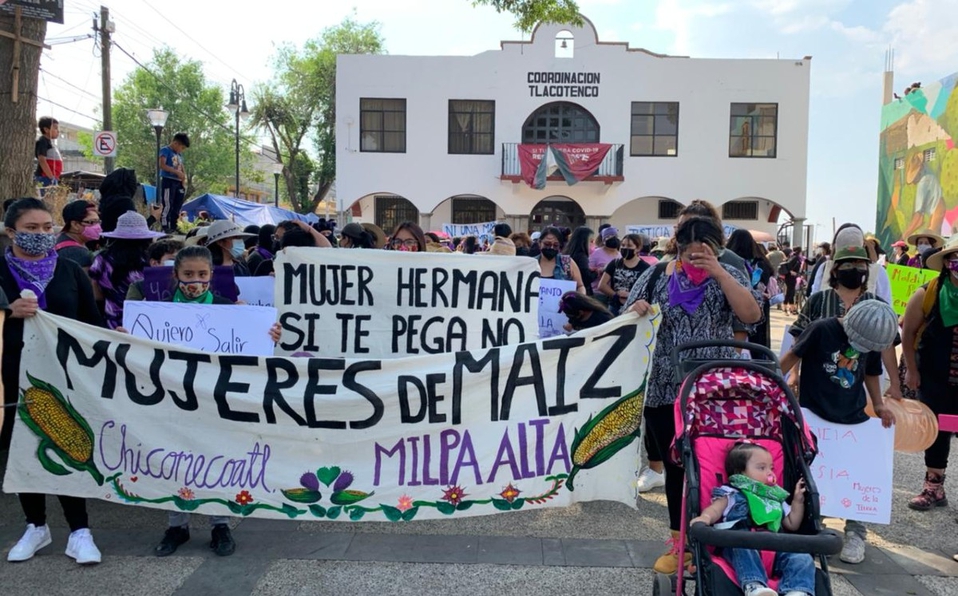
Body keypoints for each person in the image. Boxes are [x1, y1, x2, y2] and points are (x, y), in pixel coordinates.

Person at [624, 216, 762, 574]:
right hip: (663, 389)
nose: (696, 261)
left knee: (715, 466)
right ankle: (679, 545)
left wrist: (719, 272)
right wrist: (634, 310)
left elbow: (751, 315)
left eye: (706, 253)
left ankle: (721, 539)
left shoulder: (729, 274)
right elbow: (627, 317)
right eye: (690, 254)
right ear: (678, 248)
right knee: (674, 468)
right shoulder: (657, 275)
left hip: (714, 391)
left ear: (718, 248)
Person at [142, 246, 282, 557]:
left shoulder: (229, 309)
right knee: (173, 459)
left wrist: (266, 334)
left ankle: (220, 523)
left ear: (212, 276)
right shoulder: (156, 313)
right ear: (176, 276)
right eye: (188, 275)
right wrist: (126, 336)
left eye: (202, 275)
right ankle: (176, 525)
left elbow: (253, 355)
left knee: (218, 457)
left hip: (215, 400)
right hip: (172, 401)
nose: (195, 282)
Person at [0, 198, 104, 565]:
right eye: (31, 229)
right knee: (23, 448)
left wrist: (121, 335)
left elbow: (92, 324)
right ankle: (35, 526)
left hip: (64, 377)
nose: (41, 235)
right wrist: (6, 312)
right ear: (11, 232)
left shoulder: (70, 270)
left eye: (47, 228)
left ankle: (80, 531)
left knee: (68, 445)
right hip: (9, 377)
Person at [779, 299, 899, 564]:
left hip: (852, 416)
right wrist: (773, 386)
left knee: (856, 476)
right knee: (815, 475)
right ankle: (814, 525)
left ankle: (856, 532)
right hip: (814, 414)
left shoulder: (873, 339)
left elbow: (870, 371)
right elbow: (790, 358)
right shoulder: (821, 329)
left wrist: (878, 404)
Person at [690, 443, 814, 596]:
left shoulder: (774, 497)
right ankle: (754, 586)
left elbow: (792, 523)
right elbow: (715, 509)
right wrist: (705, 518)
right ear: (740, 472)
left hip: (774, 547)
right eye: (762, 468)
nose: (770, 473)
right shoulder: (732, 493)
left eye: (772, 468)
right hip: (740, 542)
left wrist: (797, 501)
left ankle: (798, 590)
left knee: (802, 557)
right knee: (742, 548)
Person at [902, 236, 958, 514]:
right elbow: (908, 332)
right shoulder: (928, 293)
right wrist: (911, 371)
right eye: (955, 260)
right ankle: (933, 488)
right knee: (937, 430)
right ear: (947, 263)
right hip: (935, 379)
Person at [89, 211, 167, 329]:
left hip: (112, 324)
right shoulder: (153, 261)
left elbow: (96, 294)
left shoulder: (102, 259)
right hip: (147, 324)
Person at [726, 229, 775, 349]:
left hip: (732, 305)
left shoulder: (727, 261)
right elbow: (764, 283)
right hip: (758, 306)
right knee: (757, 345)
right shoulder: (761, 262)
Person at [598, 233, 650, 316]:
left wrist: (630, 295)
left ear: (638, 248)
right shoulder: (615, 263)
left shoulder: (645, 268)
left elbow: (647, 290)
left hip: (634, 308)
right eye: (623, 245)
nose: (625, 248)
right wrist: (616, 295)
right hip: (614, 307)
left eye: (629, 246)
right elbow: (602, 285)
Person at [536, 226, 586, 294]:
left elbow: (580, 286)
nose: (551, 247)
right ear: (539, 243)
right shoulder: (532, 263)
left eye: (556, 245)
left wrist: (580, 299)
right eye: (547, 244)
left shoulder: (566, 262)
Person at [158, 132, 190, 232]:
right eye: (182, 147)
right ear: (176, 143)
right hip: (168, 181)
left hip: (178, 182)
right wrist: (175, 171)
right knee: (168, 204)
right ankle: (165, 225)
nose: (182, 150)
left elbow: (182, 166)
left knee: (177, 205)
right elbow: (162, 165)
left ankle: (174, 225)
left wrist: (183, 178)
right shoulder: (165, 150)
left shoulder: (179, 154)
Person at [56, 200, 100, 269]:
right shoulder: (78, 253)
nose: (97, 227)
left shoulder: (60, 237)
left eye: (98, 222)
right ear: (75, 225)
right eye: (91, 222)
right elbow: (86, 279)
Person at [589, 227, 621, 299]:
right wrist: (601, 270)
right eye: (610, 237)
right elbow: (589, 271)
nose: (613, 239)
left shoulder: (619, 254)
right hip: (599, 294)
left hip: (614, 293)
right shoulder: (596, 253)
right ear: (604, 240)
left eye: (615, 236)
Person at [34, 116, 62, 192]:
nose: (58, 131)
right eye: (55, 128)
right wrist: (51, 177)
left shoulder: (49, 142)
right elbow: (42, 160)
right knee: (47, 202)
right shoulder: (43, 141)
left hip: (51, 178)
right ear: (46, 129)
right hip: (45, 178)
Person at [565, 226, 595, 295]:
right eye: (591, 241)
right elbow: (585, 278)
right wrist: (597, 273)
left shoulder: (568, 252)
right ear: (584, 241)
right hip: (581, 293)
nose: (593, 244)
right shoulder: (582, 257)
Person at [781, 248, 803, 315]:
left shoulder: (793, 257)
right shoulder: (795, 258)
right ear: (800, 251)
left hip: (790, 277)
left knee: (791, 292)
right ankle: (785, 307)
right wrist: (792, 272)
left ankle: (791, 308)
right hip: (790, 277)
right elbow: (789, 265)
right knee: (789, 292)